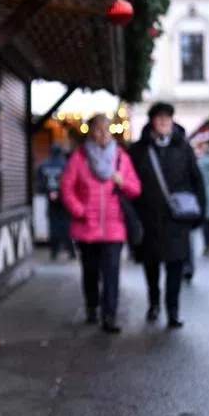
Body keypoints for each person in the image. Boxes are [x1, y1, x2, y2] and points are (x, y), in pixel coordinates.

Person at [61, 115, 142, 332]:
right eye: (98, 129)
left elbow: (135, 189)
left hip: (114, 228)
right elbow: (67, 188)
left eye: (107, 129)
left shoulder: (121, 158)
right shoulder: (79, 158)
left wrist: (122, 181)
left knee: (112, 272)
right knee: (90, 272)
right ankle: (92, 306)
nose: (103, 133)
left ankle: (109, 315)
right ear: (91, 132)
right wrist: (81, 210)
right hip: (87, 227)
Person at [129, 102, 206, 329]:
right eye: (159, 118)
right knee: (151, 266)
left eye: (167, 118)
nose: (163, 122)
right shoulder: (139, 150)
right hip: (149, 219)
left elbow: (196, 180)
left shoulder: (183, 148)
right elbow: (131, 183)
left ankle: (173, 310)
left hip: (177, 219)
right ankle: (154, 303)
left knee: (175, 266)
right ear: (152, 121)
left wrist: (198, 214)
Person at [37, 144, 74, 261]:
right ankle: (70, 250)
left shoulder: (44, 165)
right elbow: (71, 182)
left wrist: (49, 192)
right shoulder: (66, 165)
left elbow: (39, 182)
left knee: (53, 226)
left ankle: (54, 251)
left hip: (51, 199)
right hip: (64, 199)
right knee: (66, 225)